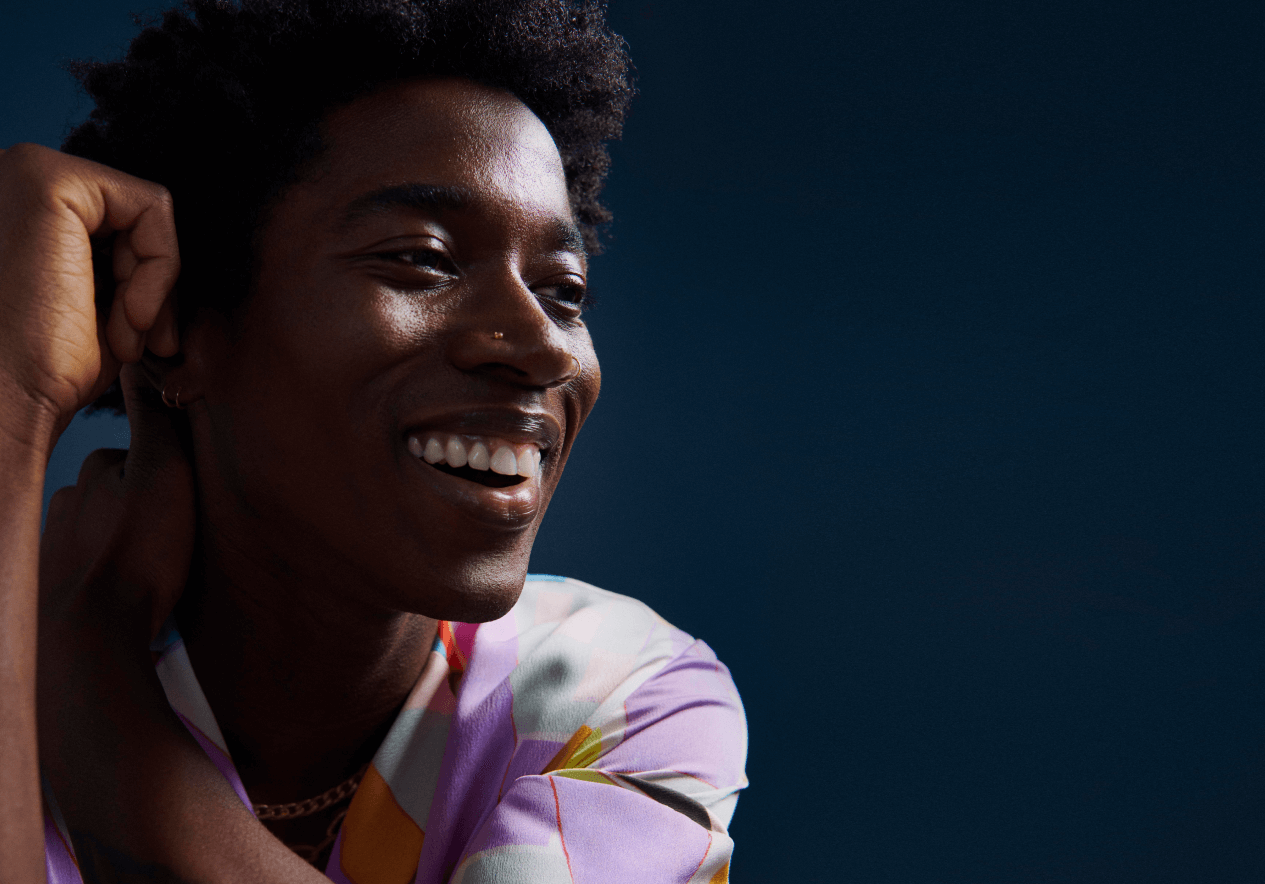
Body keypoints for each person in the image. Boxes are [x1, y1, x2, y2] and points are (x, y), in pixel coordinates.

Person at [0, 0, 747, 881]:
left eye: (565, 291)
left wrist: (98, 700)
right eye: (422, 258)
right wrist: (14, 399)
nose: (544, 346)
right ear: (181, 325)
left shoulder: (619, 693)